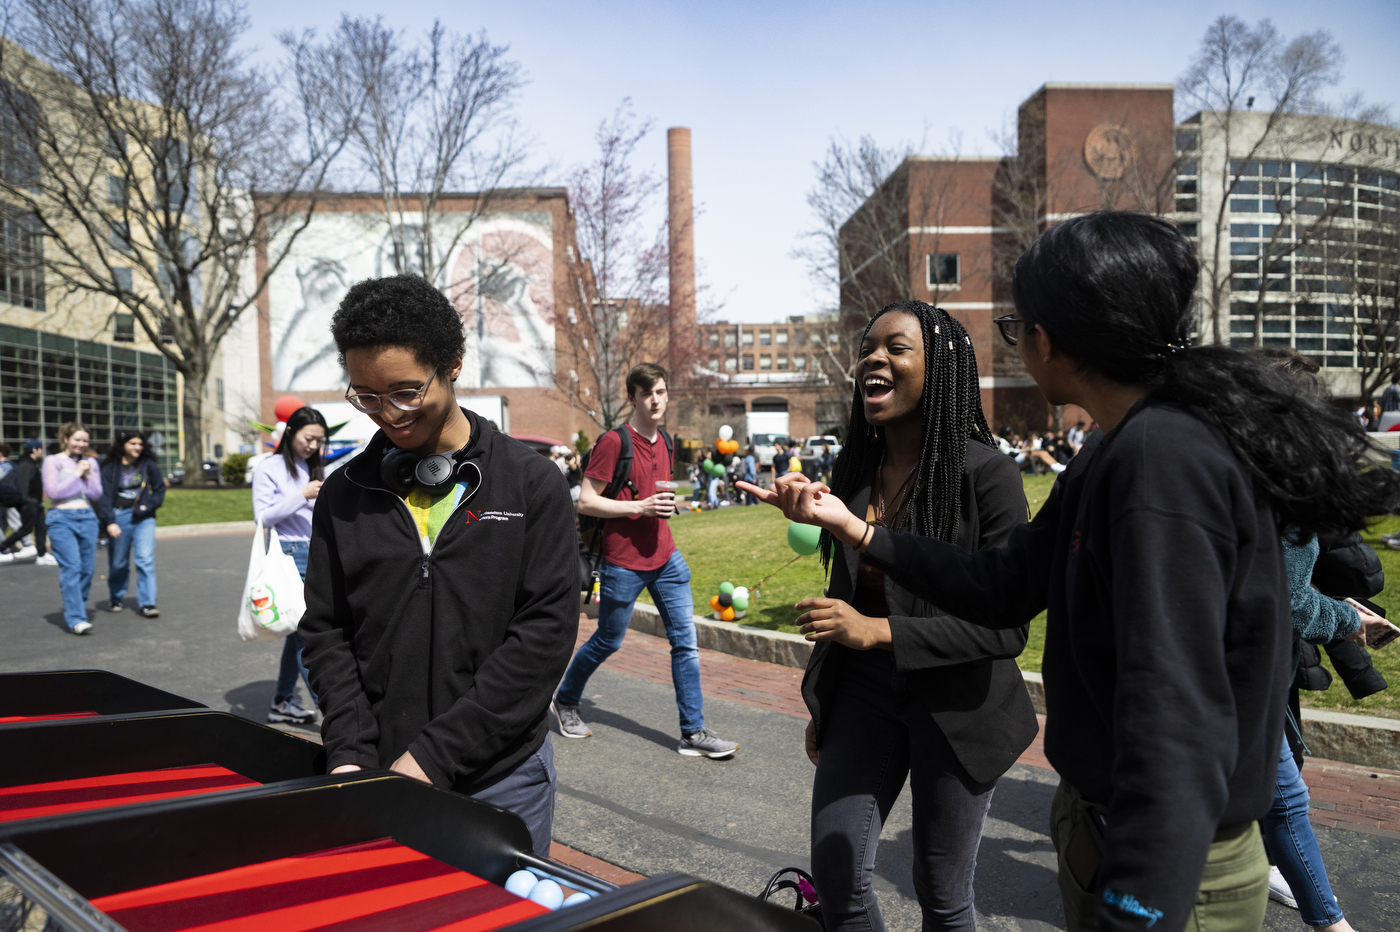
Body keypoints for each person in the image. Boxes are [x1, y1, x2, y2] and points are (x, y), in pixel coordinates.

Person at [742, 212, 1400, 932]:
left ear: (1051, 338)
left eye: (1018, 326)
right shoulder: (1114, 451)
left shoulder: (1164, 464)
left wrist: (1136, 906)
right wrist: (860, 530)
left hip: (1164, 873)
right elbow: (1005, 584)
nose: (1017, 343)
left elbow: (1174, 712)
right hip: (1105, 835)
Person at [300, 274, 579, 856]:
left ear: (453, 365)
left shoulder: (532, 485)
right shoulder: (342, 494)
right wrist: (349, 752)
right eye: (366, 397)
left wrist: (431, 758)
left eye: (405, 392)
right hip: (374, 770)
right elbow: (327, 633)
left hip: (504, 781)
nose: (388, 416)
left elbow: (543, 640)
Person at [792, 301, 1036, 932]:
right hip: (866, 696)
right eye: (868, 347)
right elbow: (844, 602)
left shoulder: (988, 476)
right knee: (838, 874)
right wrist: (828, 703)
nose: (874, 357)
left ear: (940, 369)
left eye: (895, 348)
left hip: (957, 701)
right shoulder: (854, 481)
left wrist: (875, 631)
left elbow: (1006, 627)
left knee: (941, 889)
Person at [552, 362, 738, 759]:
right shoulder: (614, 442)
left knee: (685, 644)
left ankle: (693, 732)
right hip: (623, 562)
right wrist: (640, 507)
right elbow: (586, 499)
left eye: (662, 392)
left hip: (666, 557)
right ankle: (566, 699)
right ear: (633, 397)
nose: (656, 400)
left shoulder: (667, 441)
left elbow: (657, 497)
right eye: (648, 393)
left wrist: (673, 506)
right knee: (608, 640)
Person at [252, 406, 328, 725]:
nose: (312, 446)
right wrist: (302, 495)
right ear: (290, 433)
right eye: (308, 438)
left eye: (319, 441)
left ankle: (282, 700)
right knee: (305, 633)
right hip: (287, 553)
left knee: (296, 634)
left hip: (315, 552)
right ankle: (329, 709)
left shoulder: (312, 466)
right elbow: (263, 517)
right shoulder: (268, 467)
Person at [44, 423, 104, 634]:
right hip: (61, 518)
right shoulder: (53, 461)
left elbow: (96, 494)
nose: (81, 444)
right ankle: (76, 618)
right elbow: (53, 492)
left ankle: (77, 608)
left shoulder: (91, 462)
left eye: (85, 440)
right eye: (77, 439)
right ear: (66, 439)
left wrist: (88, 475)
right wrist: (77, 473)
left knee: (87, 569)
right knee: (72, 566)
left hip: (87, 517)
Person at [97, 431, 165, 617]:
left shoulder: (147, 464)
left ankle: (147, 603)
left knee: (145, 560)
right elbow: (103, 496)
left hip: (144, 518)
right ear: (123, 445)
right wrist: (109, 521)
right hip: (119, 516)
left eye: (140, 444)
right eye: (133, 443)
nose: (137, 447)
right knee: (118, 562)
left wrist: (148, 506)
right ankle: (116, 596)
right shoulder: (110, 467)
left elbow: (159, 489)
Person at [0, 440, 53, 565]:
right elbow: (22, 485)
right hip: (29, 503)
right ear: (34, 450)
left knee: (41, 528)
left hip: (36, 502)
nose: (42, 451)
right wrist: (24, 502)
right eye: (41, 448)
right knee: (26, 529)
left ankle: (42, 554)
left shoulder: (31, 463)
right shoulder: (25, 464)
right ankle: (2, 548)